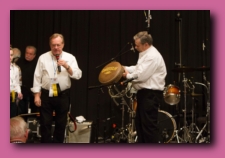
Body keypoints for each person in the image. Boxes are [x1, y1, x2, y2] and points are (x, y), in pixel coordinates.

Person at [31, 33, 82, 143]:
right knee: (45, 123)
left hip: (63, 95)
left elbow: (78, 75)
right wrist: (36, 95)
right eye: (53, 45)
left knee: (61, 123)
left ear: (63, 45)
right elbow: (37, 77)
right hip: (46, 94)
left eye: (58, 45)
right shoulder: (43, 58)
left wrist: (67, 66)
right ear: (50, 45)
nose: (56, 47)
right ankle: (46, 149)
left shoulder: (70, 57)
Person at [122, 31, 167, 143]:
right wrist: (124, 67)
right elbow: (139, 68)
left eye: (137, 45)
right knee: (141, 126)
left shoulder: (152, 56)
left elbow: (141, 76)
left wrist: (127, 75)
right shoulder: (146, 54)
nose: (135, 47)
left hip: (150, 95)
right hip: (144, 95)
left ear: (146, 44)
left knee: (148, 127)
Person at [17, 46, 38, 114]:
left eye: (30, 54)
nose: (28, 55)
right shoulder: (19, 62)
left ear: (34, 55)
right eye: (27, 53)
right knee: (21, 112)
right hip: (21, 92)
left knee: (34, 111)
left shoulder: (37, 64)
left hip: (33, 92)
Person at [10, 47, 23, 118]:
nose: (10, 57)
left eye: (11, 55)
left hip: (12, 94)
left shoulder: (16, 68)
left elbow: (17, 83)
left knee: (12, 115)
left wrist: (19, 92)